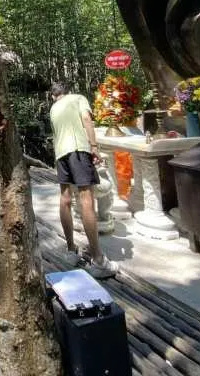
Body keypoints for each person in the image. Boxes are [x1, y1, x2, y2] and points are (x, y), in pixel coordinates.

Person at [49, 81, 119, 279]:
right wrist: (94, 146)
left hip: (60, 154)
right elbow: (87, 119)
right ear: (68, 91)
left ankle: (71, 250)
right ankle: (98, 260)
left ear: (54, 95)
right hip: (78, 150)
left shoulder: (53, 108)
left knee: (65, 199)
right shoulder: (78, 98)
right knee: (86, 199)